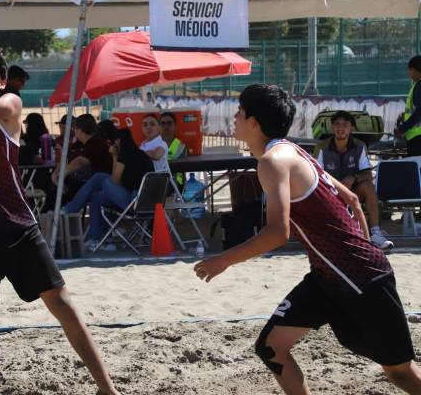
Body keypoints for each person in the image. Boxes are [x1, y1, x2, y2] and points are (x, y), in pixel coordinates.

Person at [195, 84, 421, 395]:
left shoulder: (273, 160)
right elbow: (353, 199)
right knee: (271, 347)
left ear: (254, 122)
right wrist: (364, 244)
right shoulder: (293, 150)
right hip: (329, 276)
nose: (233, 118)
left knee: (400, 373)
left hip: (360, 279)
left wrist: (223, 259)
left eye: (239, 112)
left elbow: (278, 232)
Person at [0, 52, 119, 395]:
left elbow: (6, 104)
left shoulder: (10, 110)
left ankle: (106, 388)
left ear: (2, 79)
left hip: (20, 228)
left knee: (62, 303)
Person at [313, 111, 393, 250]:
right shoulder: (322, 147)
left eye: (345, 125)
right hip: (330, 193)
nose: (341, 128)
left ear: (352, 128)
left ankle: (375, 233)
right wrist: (336, 186)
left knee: (368, 186)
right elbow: (314, 175)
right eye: (337, 124)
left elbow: (368, 173)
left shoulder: (360, 145)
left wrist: (354, 177)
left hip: (353, 193)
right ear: (332, 127)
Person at [63, 128, 154, 251]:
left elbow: (115, 180)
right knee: (97, 196)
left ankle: (71, 208)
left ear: (118, 141)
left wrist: (115, 155)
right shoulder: (142, 154)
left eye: (113, 142)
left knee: (99, 177)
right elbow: (122, 182)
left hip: (133, 203)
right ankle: (104, 241)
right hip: (148, 204)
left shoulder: (125, 154)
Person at [51, 114, 113, 187]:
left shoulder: (96, 143)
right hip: (84, 181)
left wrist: (62, 174)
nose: (73, 131)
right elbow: (66, 158)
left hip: (98, 184)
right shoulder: (80, 143)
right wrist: (57, 172)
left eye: (74, 129)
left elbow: (80, 161)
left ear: (80, 130)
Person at [395, 55, 421, 156]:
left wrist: (402, 129)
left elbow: (419, 111)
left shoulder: (419, 86)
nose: (410, 74)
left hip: (417, 138)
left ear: (414, 69)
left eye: (410, 70)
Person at [160, 112, 188, 188]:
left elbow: (182, 171)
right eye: (163, 123)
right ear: (159, 126)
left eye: (169, 123)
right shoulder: (154, 144)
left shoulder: (181, 146)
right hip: (158, 183)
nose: (166, 126)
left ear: (175, 126)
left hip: (176, 185)